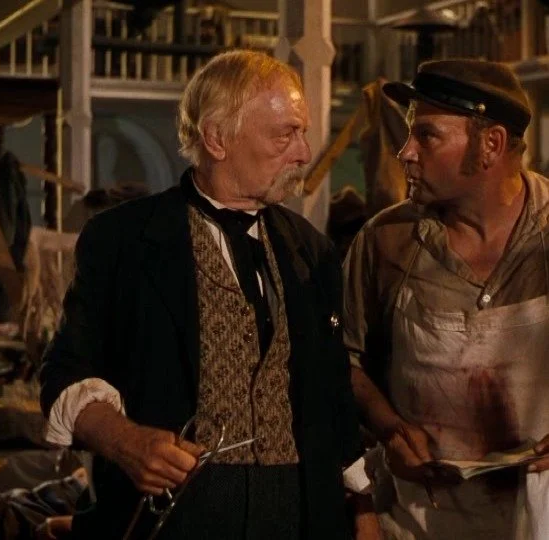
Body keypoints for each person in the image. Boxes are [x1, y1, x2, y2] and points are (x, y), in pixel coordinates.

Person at [40, 49, 368, 539]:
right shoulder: (123, 241)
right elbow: (64, 370)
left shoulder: (311, 250)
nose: (303, 153)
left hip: (297, 518)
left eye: (302, 133)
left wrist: (363, 509)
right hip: (174, 518)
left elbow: (333, 394)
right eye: (285, 134)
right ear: (216, 138)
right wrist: (124, 441)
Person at [343, 58, 549, 539]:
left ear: (491, 144)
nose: (405, 152)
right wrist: (389, 427)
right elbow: (342, 359)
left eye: (427, 135)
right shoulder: (387, 241)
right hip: (418, 519)